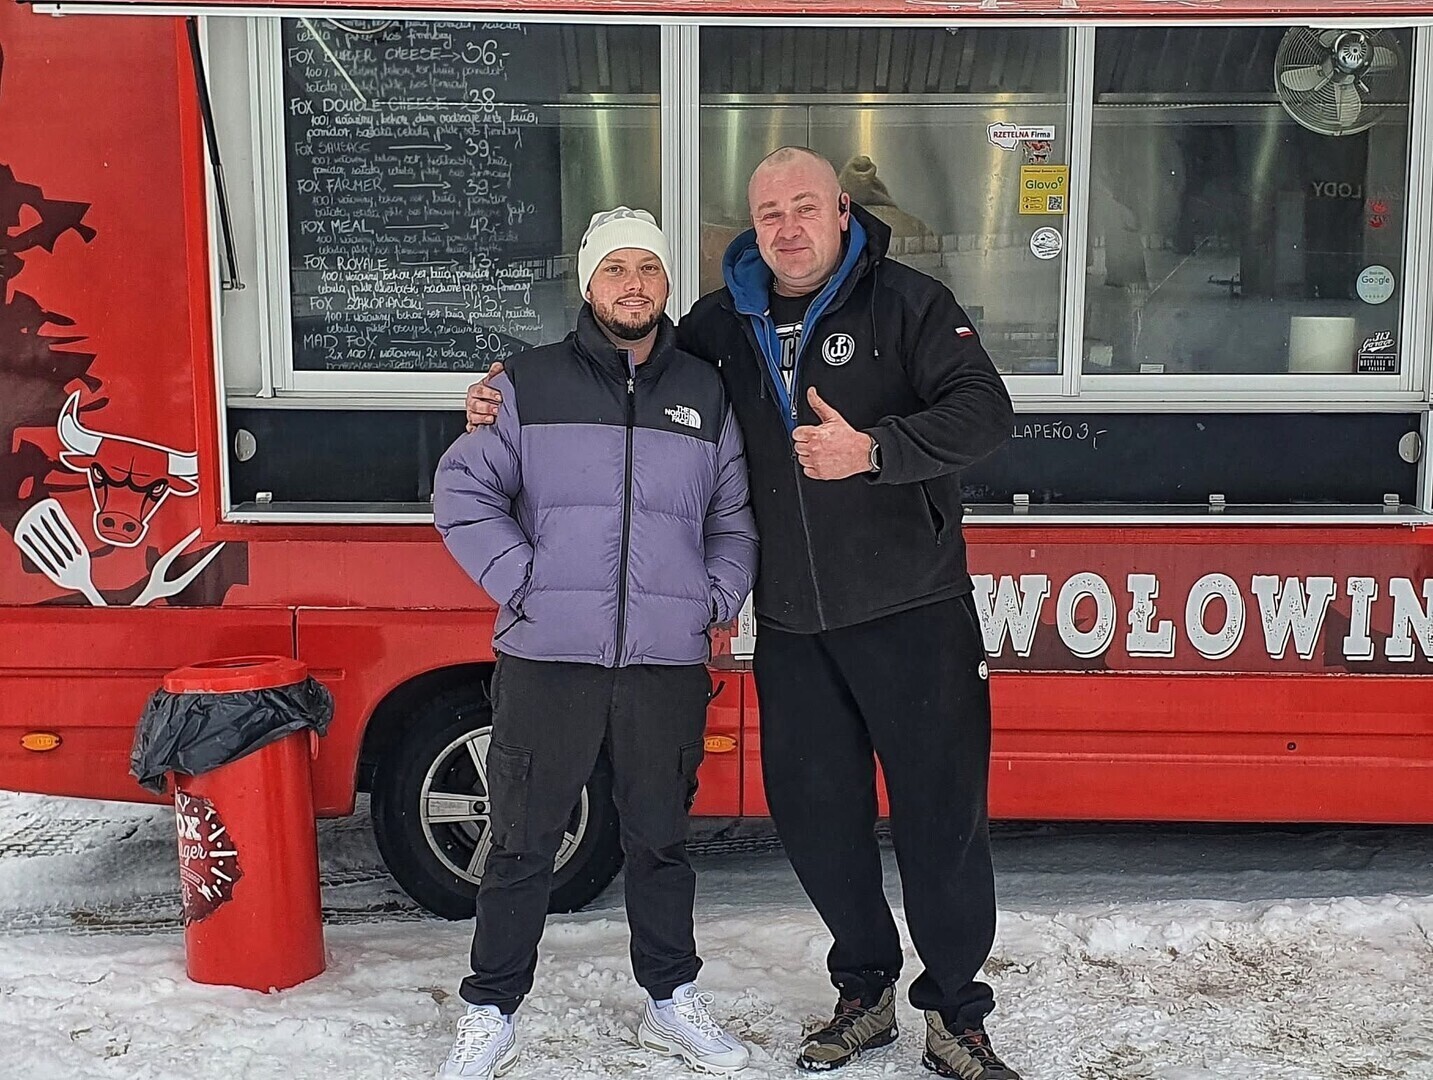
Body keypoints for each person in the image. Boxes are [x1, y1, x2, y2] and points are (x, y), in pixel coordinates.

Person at [466, 149, 1017, 1079]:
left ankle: (956, 1012)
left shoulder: (909, 303)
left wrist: (876, 452)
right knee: (817, 816)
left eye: (805, 207)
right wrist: (502, 395)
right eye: (769, 214)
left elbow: (985, 413)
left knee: (939, 816)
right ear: (749, 228)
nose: (788, 228)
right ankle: (864, 988)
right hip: (795, 625)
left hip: (914, 609)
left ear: (842, 211)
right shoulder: (720, 324)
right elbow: (628, 366)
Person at [434, 207, 758, 1080]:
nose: (632, 285)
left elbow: (734, 516)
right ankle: (492, 1006)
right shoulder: (527, 385)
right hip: (549, 658)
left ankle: (671, 996)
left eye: (647, 270)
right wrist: (525, 584)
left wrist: (712, 598)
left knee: (660, 839)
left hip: (663, 661)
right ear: (587, 284)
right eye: (614, 269)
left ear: (664, 286)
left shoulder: (703, 390)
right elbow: (465, 491)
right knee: (521, 842)